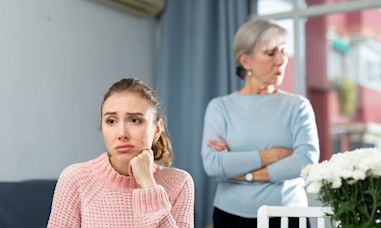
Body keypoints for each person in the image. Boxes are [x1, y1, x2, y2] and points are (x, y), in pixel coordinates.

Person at [201, 19, 319, 228]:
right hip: (230, 216)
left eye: (283, 51)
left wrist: (245, 174)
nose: (282, 59)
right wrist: (271, 155)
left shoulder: (298, 106)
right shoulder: (220, 107)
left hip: (288, 216)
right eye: (271, 52)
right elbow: (213, 164)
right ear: (245, 61)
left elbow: (306, 160)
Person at [48, 78, 194, 227]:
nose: (122, 134)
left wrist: (148, 184)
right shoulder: (75, 179)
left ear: (157, 129)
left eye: (135, 120)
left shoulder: (180, 183)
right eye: (111, 121)